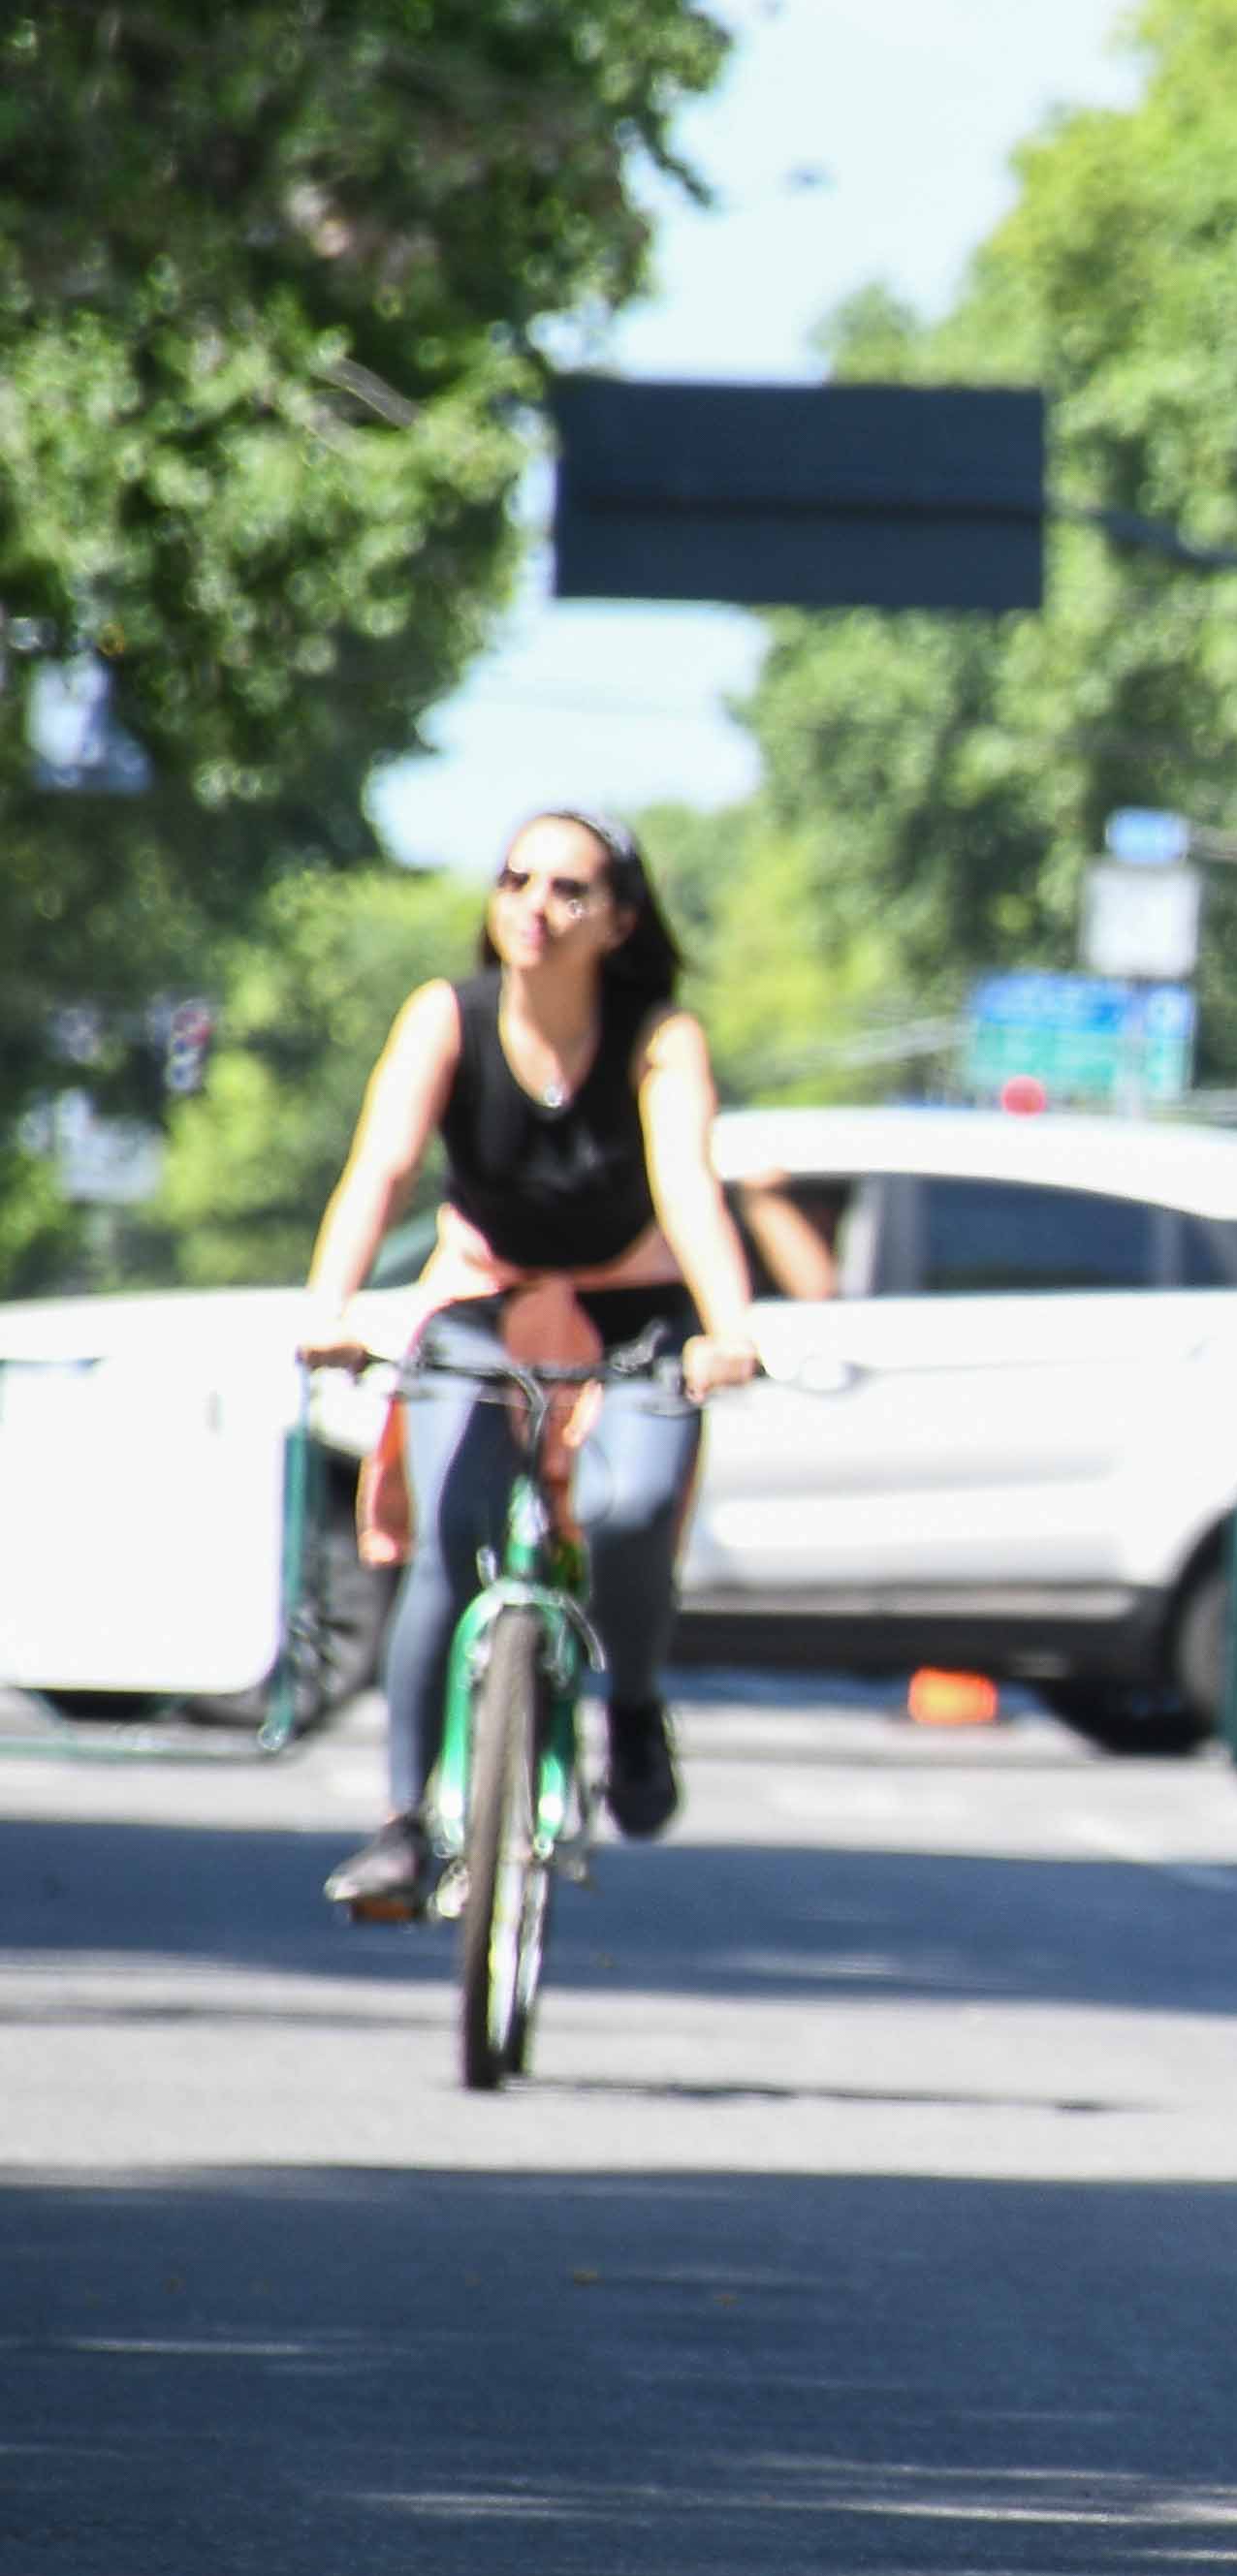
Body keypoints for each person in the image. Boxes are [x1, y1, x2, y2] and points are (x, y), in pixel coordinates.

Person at [298, 810, 763, 1914]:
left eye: (568, 890)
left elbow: (690, 1185)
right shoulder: (446, 1019)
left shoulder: (658, 1037)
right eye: (515, 881)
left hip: (632, 1310)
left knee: (635, 1505)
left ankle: (635, 1704)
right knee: (451, 1542)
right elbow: (383, 1167)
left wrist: (729, 1325)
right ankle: (407, 1826)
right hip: (480, 1303)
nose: (534, 909)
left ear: (620, 920)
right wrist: (332, 1306)